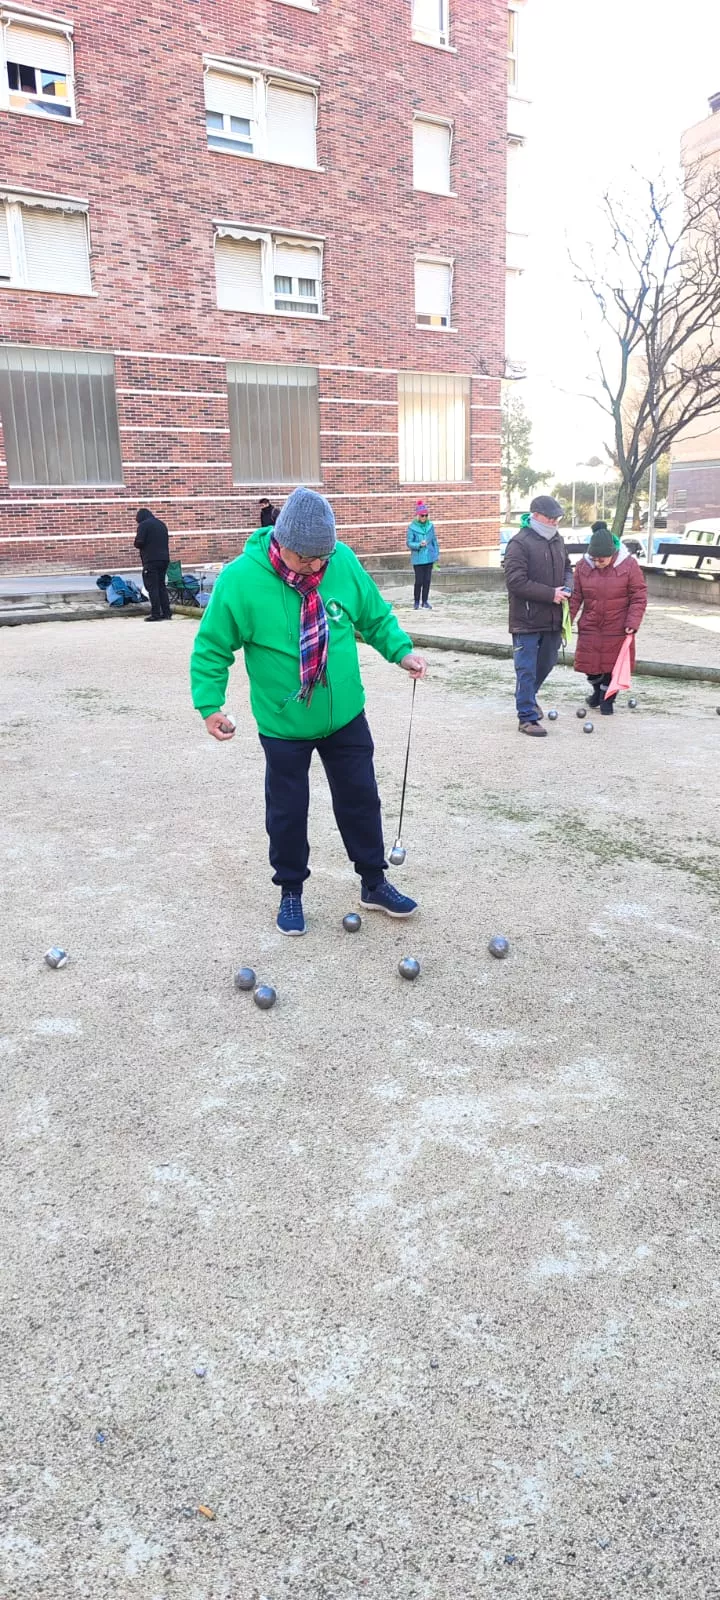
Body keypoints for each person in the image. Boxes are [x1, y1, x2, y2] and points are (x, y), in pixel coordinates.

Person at [190, 487, 427, 937]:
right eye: (307, 559)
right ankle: (291, 891)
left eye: (324, 557)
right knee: (288, 810)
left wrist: (401, 652)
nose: (317, 567)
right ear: (281, 543)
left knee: (360, 798)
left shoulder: (341, 562)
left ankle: (373, 882)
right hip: (284, 724)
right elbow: (212, 646)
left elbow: (374, 617)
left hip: (345, 717)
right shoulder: (241, 579)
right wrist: (210, 705)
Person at [503, 494, 572, 737]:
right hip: (527, 620)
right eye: (550, 518)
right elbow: (515, 582)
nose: (554, 522)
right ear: (535, 515)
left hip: (553, 618)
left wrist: (567, 586)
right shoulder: (519, 543)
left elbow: (567, 568)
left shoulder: (557, 540)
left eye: (557, 518)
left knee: (546, 663)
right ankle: (527, 717)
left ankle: (529, 697)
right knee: (526, 669)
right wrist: (549, 594)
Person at [569, 521, 647, 714]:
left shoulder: (629, 565)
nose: (597, 563)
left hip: (618, 626)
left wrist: (632, 622)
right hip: (591, 624)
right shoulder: (582, 566)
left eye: (602, 559)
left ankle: (607, 700)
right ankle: (597, 692)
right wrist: (566, 620)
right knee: (590, 665)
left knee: (613, 666)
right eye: (594, 559)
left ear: (612, 554)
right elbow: (576, 596)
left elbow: (639, 596)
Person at [134, 506, 171, 622]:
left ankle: (155, 614)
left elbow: (139, 542)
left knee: (152, 587)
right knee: (161, 586)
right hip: (164, 559)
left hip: (151, 560)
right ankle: (167, 613)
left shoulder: (144, 525)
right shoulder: (161, 524)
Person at [406, 501, 440, 610]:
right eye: (422, 515)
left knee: (427, 580)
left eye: (426, 515)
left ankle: (425, 601)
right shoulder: (412, 528)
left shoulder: (430, 526)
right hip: (418, 558)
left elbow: (434, 541)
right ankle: (416, 602)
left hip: (429, 557)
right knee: (419, 581)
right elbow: (409, 542)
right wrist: (419, 545)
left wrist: (436, 554)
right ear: (418, 515)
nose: (424, 517)